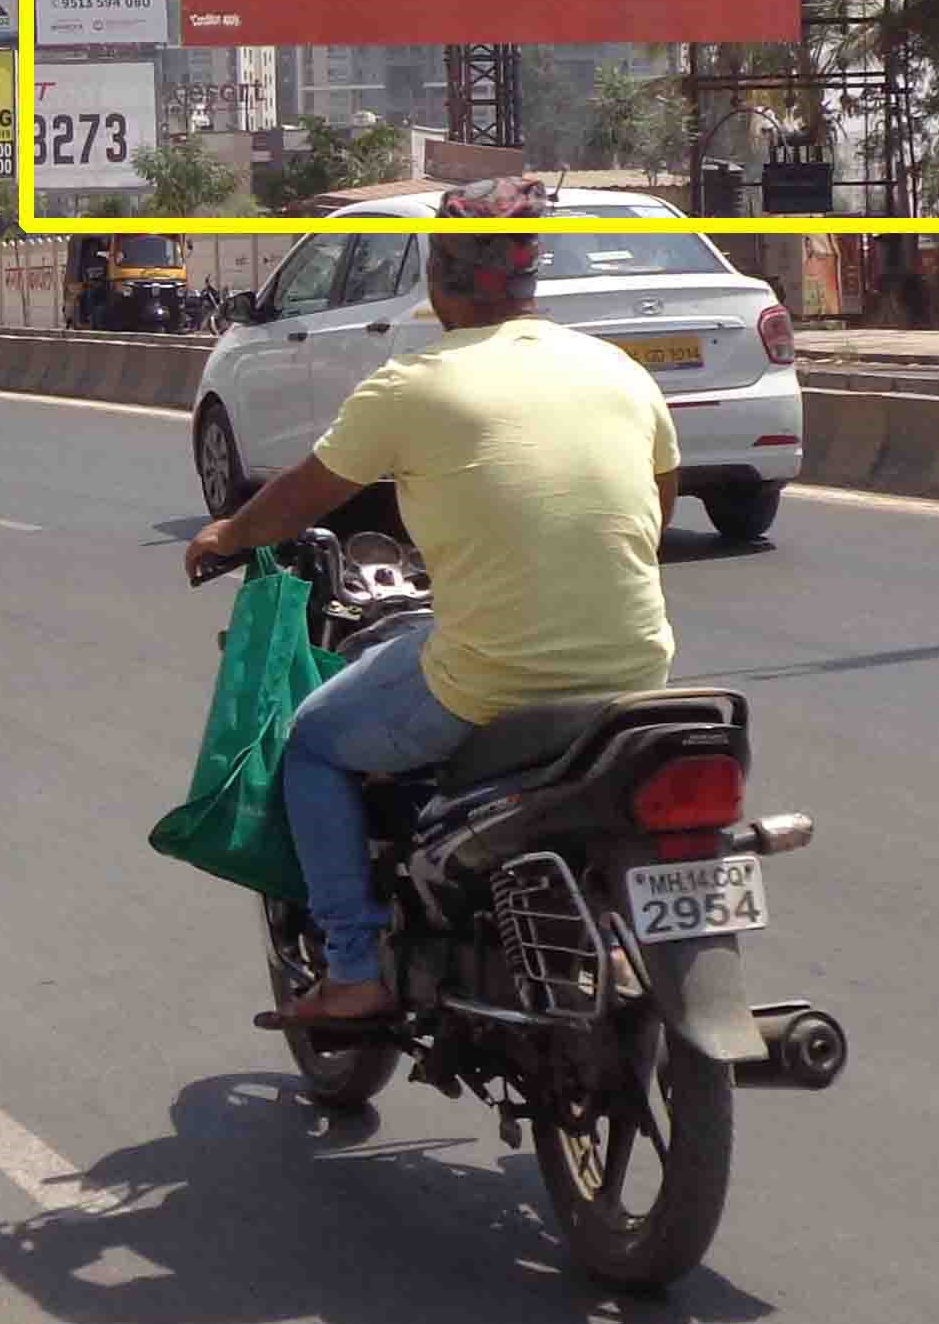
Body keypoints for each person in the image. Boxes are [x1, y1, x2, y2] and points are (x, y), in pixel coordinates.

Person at [185, 179, 678, 1035]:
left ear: (439, 282)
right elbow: (656, 508)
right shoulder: (617, 371)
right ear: (531, 282)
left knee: (312, 741)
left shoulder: (414, 386)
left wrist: (227, 533)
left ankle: (351, 968)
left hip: (489, 683)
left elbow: (303, 494)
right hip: (638, 673)